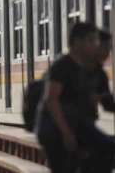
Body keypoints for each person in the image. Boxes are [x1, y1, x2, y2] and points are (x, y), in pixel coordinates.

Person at [36, 22, 100, 173]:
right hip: (58, 132)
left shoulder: (83, 67)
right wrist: (66, 133)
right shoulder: (62, 67)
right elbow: (51, 100)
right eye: (90, 40)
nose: (94, 45)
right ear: (77, 42)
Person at [78, 30, 115, 173]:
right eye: (104, 48)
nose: (107, 53)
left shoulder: (100, 74)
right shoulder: (75, 69)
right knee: (106, 148)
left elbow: (108, 105)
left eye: (109, 48)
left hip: (85, 126)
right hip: (67, 125)